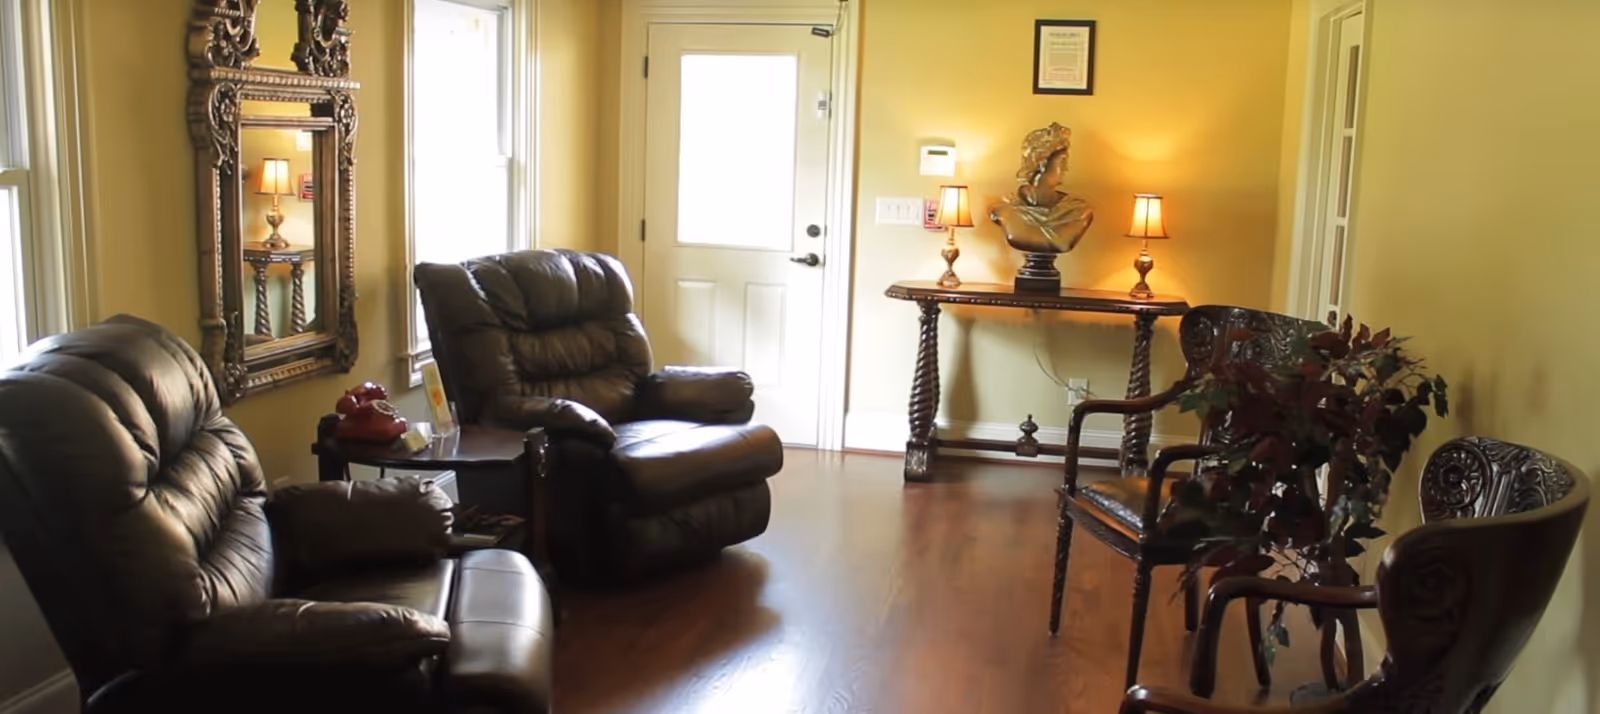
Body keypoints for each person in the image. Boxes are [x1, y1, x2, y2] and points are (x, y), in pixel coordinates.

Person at [991, 122, 1095, 254]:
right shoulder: (1004, 210)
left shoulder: (1078, 212)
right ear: (1041, 164)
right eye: (1062, 162)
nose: (1066, 169)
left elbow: (1064, 244)